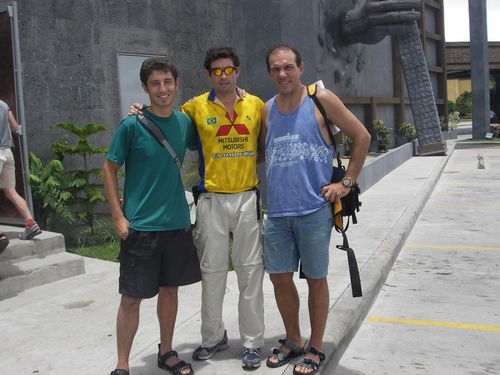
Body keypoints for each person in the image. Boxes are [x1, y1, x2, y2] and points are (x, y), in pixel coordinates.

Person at [130, 46, 265, 370]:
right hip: (210, 199)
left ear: (238, 71)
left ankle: (252, 342)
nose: (223, 76)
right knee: (212, 272)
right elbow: (164, 114)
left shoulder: (256, 105)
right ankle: (213, 337)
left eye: (228, 69)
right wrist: (139, 108)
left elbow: (261, 149)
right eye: (216, 71)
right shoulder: (194, 108)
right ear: (208, 75)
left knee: (250, 272)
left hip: (247, 196)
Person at [260, 44, 371, 375]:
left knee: (316, 279)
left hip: (313, 210)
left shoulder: (321, 101)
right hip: (277, 212)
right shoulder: (266, 109)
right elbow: (261, 152)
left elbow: (361, 136)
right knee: (280, 278)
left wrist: (346, 183)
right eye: (276, 69)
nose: (282, 74)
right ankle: (293, 339)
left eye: (288, 67)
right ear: (269, 73)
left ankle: (316, 346)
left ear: (301, 67)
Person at [103, 57, 201, 375]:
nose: (162, 89)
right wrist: (118, 216)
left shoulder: (185, 123)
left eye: (167, 82)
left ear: (176, 84)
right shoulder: (131, 125)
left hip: (176, 223)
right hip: (141, 227)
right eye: (155, 84)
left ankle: (167, 351)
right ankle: (122, 364)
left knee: (170, 291)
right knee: (132, 298)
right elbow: (109, 167)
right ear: (145, 88)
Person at [0, 99, 42, 244]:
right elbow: (14, 126)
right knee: (11, 191)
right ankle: (30, 224)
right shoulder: (4, 105)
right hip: (6, 152)